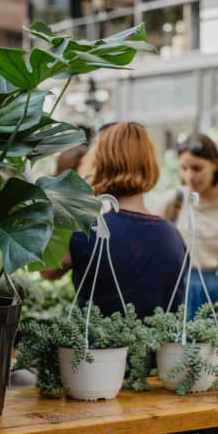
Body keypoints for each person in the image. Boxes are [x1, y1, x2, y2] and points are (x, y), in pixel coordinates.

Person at [43, 122, 186, 320]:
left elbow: (47, 270)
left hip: (99, 349)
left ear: (100, 164)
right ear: (150, 164)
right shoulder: (173, 236)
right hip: (161, 350)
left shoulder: (87, 231)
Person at [157, 133, 218, 320]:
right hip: (182, 289)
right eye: (184, 168)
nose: (189, 176)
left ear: (215, 165)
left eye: (197, 168)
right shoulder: (174, 201)